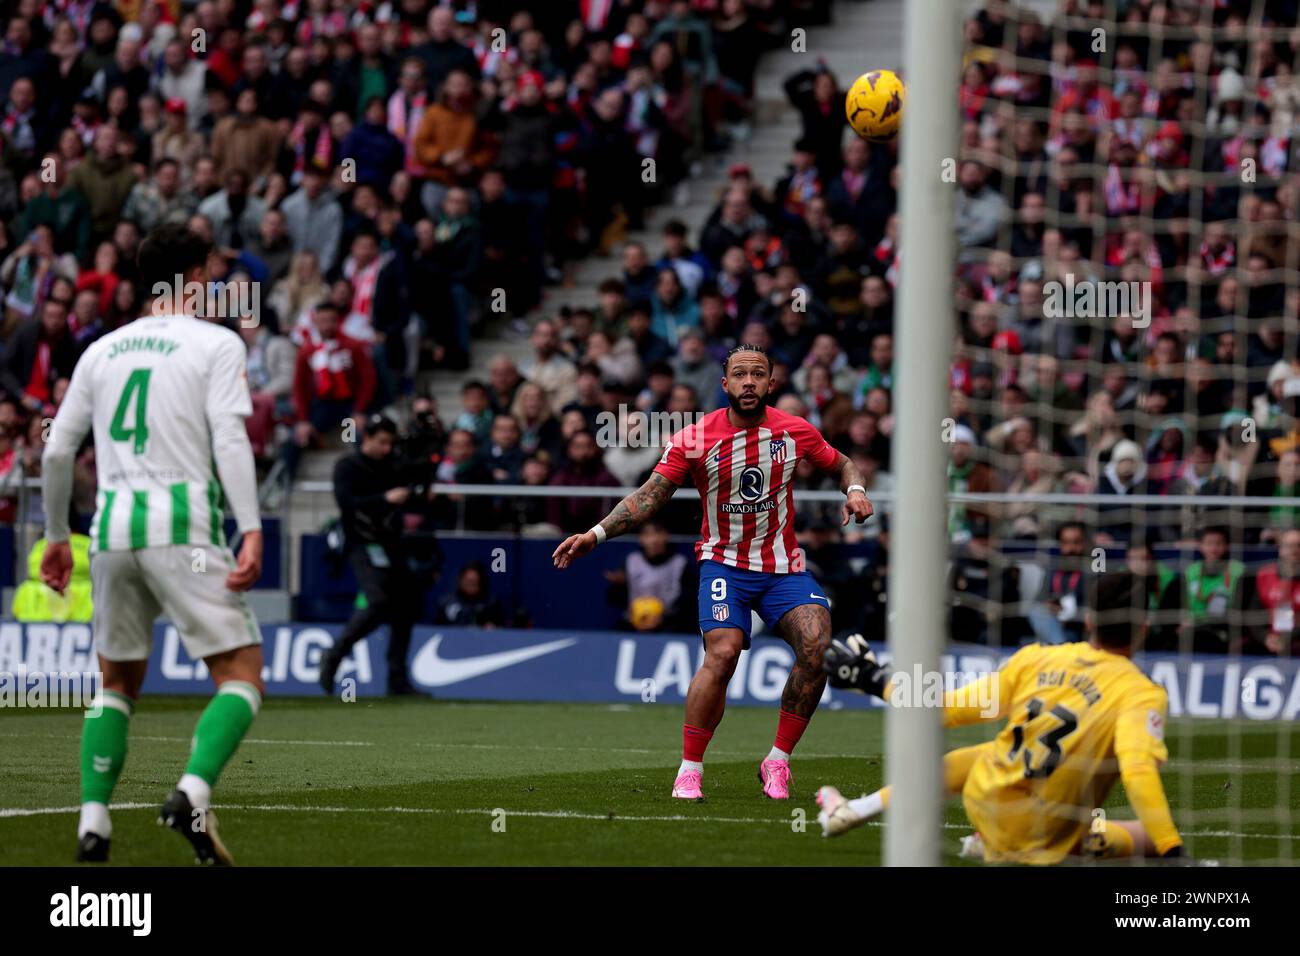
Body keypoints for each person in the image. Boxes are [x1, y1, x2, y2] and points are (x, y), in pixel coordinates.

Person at [553, 343, 874, 800]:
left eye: (757, 374)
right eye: (739, 374)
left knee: (818, 647)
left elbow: (842, 462)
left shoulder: (795, 431)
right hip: (724, 563)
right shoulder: (694, 437)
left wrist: (856, 489)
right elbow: (650, 496)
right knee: (723, 655)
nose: (748, 382)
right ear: (724, 384)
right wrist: (596, 534)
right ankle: (689, 769)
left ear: (771, 383)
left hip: (783, 566)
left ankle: (777, 761)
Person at [40, 223, 265, 865]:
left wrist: (59, 536)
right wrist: (250, 526)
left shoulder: (100, 351)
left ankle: (93, 823)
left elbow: (57, 451)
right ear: (193, 277)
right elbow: (228, 438)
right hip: (183, 526)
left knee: (115, 682)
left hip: (109, 531)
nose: (218, 283)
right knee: (241, 673)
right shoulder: (216, 344)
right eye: (213, 272)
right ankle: (191, 791)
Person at [817, 571, 1185, 864]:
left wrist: (876, 679)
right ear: (1143, 628)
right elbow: (1138, 771)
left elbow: (944, 710)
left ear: (1089, 621)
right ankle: (996, 845)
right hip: (1049, 833)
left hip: (988, 802)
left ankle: (862, 811)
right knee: (1154, 837)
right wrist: (1173, 851)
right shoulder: (1140, 692)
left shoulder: (1037, 659)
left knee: (976, 757)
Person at [319, 415, 426, 697]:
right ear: (366, 438)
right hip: (362, 543)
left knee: (407, 606)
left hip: (391, 542)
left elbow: (417, 490)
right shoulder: (348, 466)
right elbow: (346, 504)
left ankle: (397, 679)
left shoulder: (392, 464)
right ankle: (335, 652)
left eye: (391, 443)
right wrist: (385, 499)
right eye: (382, 442)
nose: (387, 449)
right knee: (378, 600)